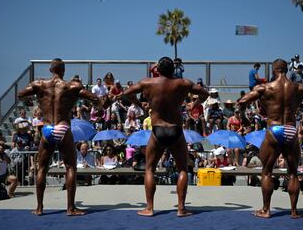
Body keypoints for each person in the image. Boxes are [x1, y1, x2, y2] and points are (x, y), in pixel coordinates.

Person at [17, 58, 106, 216]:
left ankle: (39, 208)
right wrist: (98, 108)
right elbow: (94, 98)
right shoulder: (72, 86)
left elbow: (20, 94)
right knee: (70, 167)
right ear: (63, 70)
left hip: (47, 128)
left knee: (42, 169)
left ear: (51, 70)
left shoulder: (39, 84)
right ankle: (70, 208)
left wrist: (29, 101)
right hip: (63, 127)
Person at [123, 56, 209, 217]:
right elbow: (205, 93)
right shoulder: (183, 83)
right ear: (173, 69)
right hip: (175, 130)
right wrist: (194, 104)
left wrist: (138, 104)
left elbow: (126, 93)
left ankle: (149, 208)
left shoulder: (147, 83)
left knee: (150, 169)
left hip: (158, 130)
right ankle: (181, 209)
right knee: (183, 169)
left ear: (158, 69)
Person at [238, 58, 303, 218]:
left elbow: (241, 102)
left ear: (274, 70)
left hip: (273, 129)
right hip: (290, 129)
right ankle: (294, 212)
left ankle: (266, 210)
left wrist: (244, 118)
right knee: (293, 173)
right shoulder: (299, 87)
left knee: (267, 172)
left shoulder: (265, 87)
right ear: (286, 70)